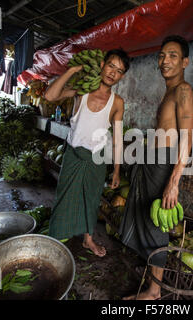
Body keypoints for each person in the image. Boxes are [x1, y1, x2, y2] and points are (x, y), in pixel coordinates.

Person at [120, 35, 193, 299]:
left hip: (164, 166)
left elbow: (187, 138)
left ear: (185, 61)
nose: (165, 60)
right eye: (162, 55)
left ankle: (154, 291)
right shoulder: (170, 91)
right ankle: (151, 279)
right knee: (148, 219)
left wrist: (173, 182)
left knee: (156, 226)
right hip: (153, 162)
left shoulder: (183, 90)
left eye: (173, 55)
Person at [44, 49, 130, 257]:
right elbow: (49, 95)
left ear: (122, 76)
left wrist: (117, 171)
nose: (112, 73)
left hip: (97, 160)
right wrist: (72, 70)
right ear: (102, 65)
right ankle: (56, 238)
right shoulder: (82, 89)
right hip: (74, 155)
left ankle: (88, 240)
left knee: (91, 200)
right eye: (111, 65)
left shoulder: (117, 102)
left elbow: (118, 139)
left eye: (119, 71)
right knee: (65, 198)